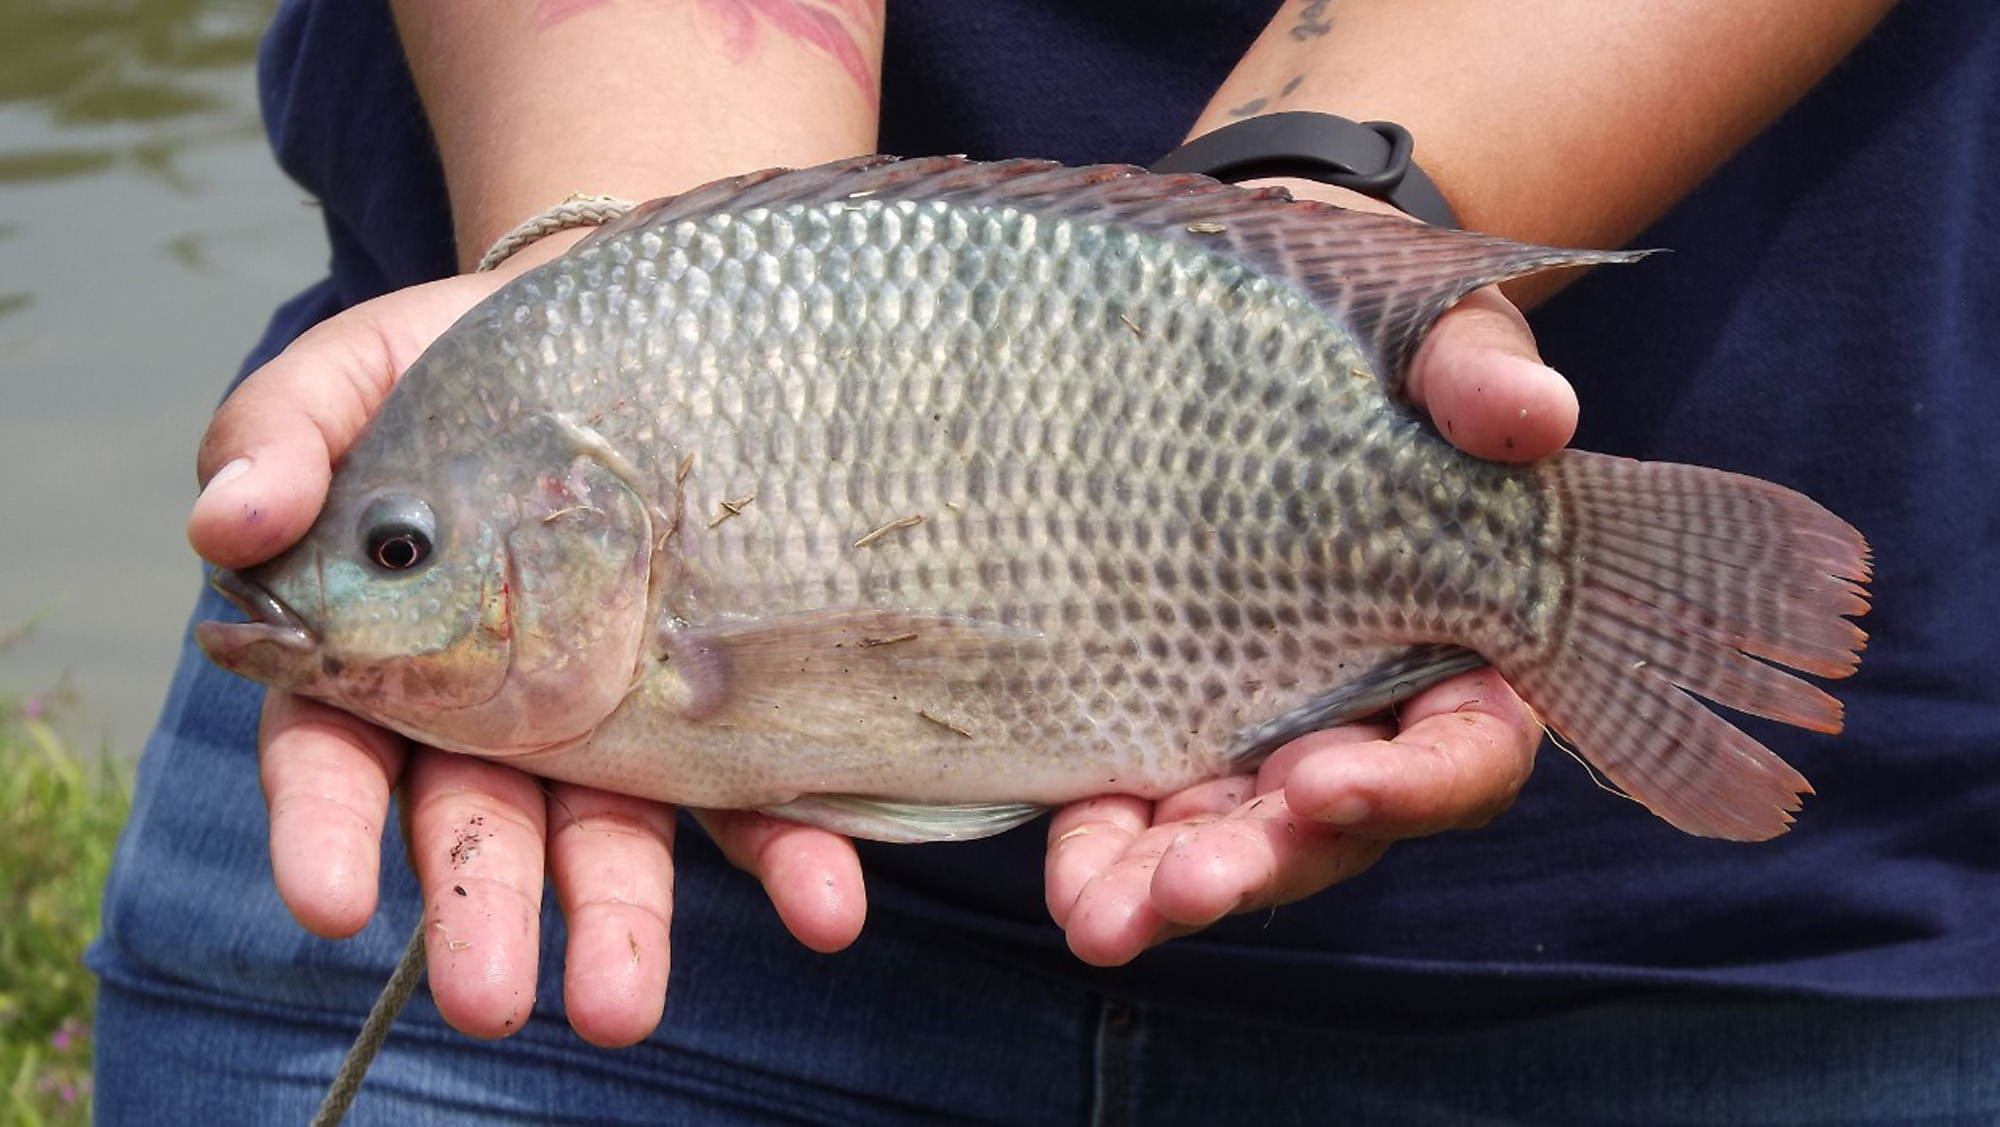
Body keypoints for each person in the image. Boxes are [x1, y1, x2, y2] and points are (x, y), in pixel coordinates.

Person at [89, 1, 2000, 1123]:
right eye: (398, 549)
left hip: (1727, 999)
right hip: (600, 991)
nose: (363, 590)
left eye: (404, 549)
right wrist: (608, 256)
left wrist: (1339, 234)